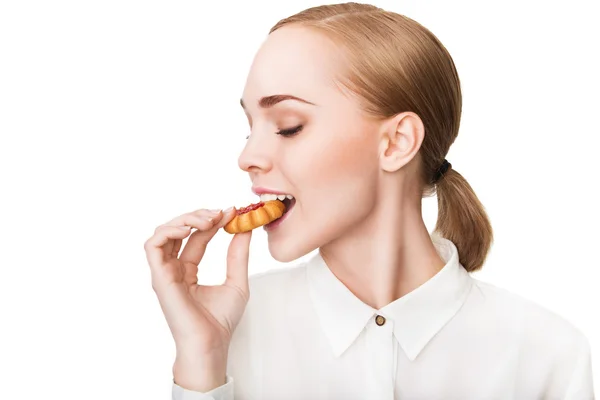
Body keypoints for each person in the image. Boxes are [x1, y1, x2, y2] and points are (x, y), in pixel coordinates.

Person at [144, 3, 594, 399]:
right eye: (250, 128)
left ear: (397, 142)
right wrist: (202, 360)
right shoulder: (227, 329)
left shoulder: (547, 353)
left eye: (287, 126)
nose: (246, 158)